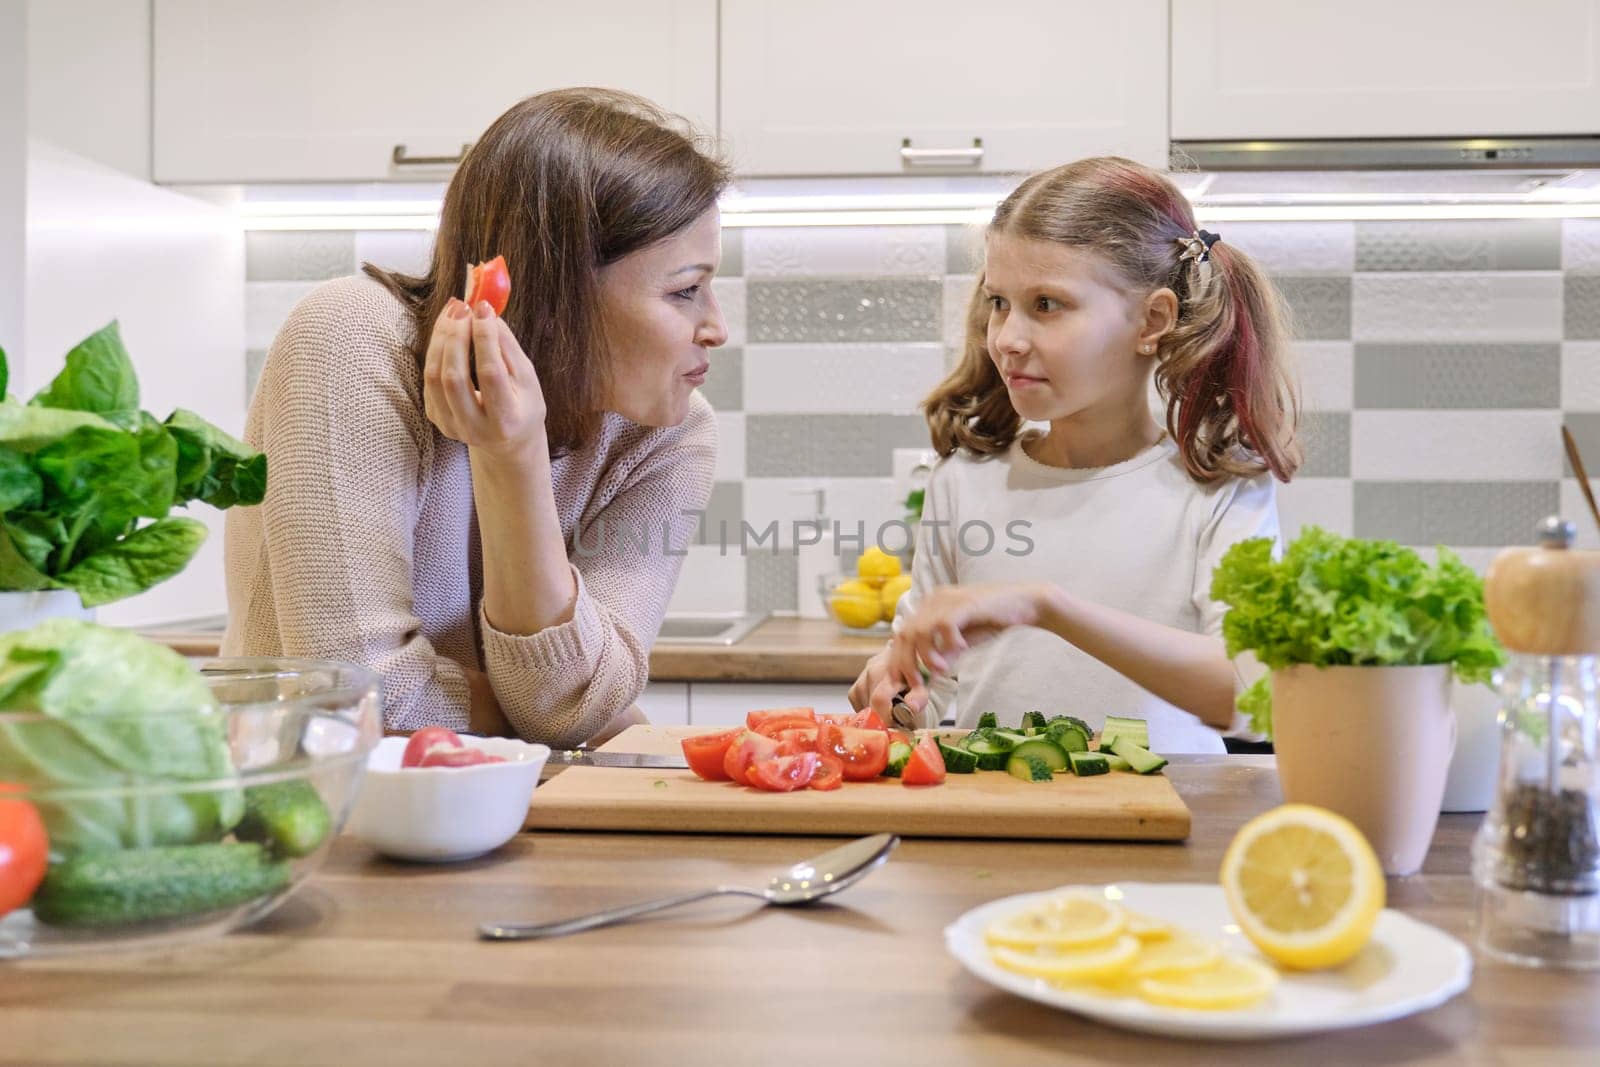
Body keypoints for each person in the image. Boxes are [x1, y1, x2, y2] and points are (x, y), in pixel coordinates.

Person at [224, 88, 729, 747]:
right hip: (322, 818)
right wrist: (541, 718)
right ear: (563, 290)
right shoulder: (350, 340)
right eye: (686, 290)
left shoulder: (673, 433)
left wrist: (512, 454)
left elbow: (574, 707)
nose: (716, 326)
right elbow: (352, 696)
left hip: (528, 820)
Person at [848, 156, 1300, 753]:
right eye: (999, 302)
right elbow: (932, 684)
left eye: (1047, 305)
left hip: (1171, 827)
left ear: (1153, 320)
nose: (1007, 338)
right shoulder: (964, 480)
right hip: (999, 821)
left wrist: (1046, 607)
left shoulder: (1219, 486)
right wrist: (899, 692)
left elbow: (1253, 699)